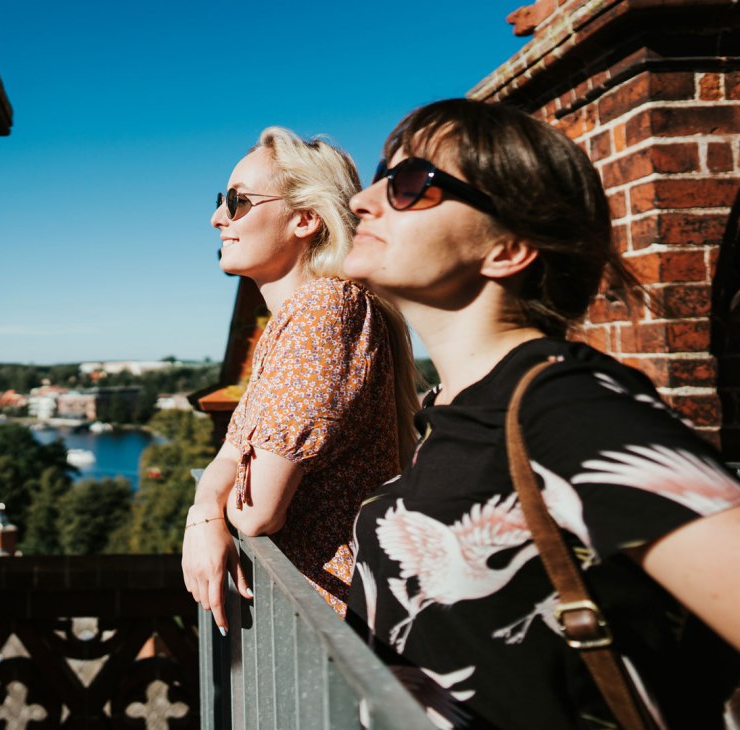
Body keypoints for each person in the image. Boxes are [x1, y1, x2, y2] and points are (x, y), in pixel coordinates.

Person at [343, 98, 740, 729]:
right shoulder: (452, 411)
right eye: (379, 177)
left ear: (508, 249)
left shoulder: (566, 406)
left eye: (412, 184)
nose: (365, 201)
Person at [182, 128, 419, 632]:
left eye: (238, 201)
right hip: (321, 626)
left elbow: (254, 512)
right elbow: (228, 457)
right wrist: (203, 512)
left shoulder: (324, 309)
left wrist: (217, 507)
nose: (217, 217)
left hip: (336, 632)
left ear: (305, 220)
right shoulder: (292, 323)